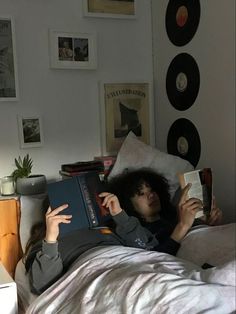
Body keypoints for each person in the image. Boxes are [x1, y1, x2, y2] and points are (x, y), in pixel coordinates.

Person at [25, 169, 222, 295]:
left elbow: (148, 250)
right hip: (95, 269)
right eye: (141, 193)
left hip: (128, 263)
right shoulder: (48, 245)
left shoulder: (109, 229)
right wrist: (51, 238)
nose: (150, 195)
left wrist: (119, 214)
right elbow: (40, 285)